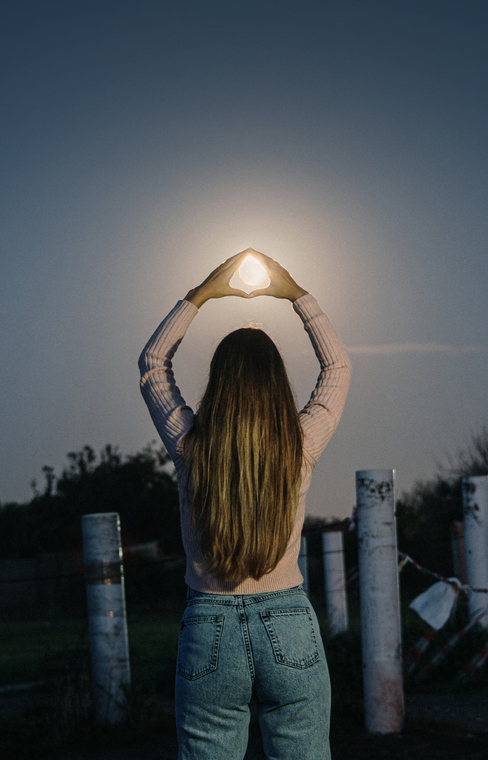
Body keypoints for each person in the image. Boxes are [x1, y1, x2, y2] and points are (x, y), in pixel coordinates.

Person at [139, 249, 351, 760]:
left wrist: (202, 294)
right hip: (289, 624)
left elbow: (152, 364)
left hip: (208, 627)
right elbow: (337, 368)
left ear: (218, 383)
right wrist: (297, 295)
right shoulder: (299, 445)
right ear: (277, 383)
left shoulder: (190, 445)